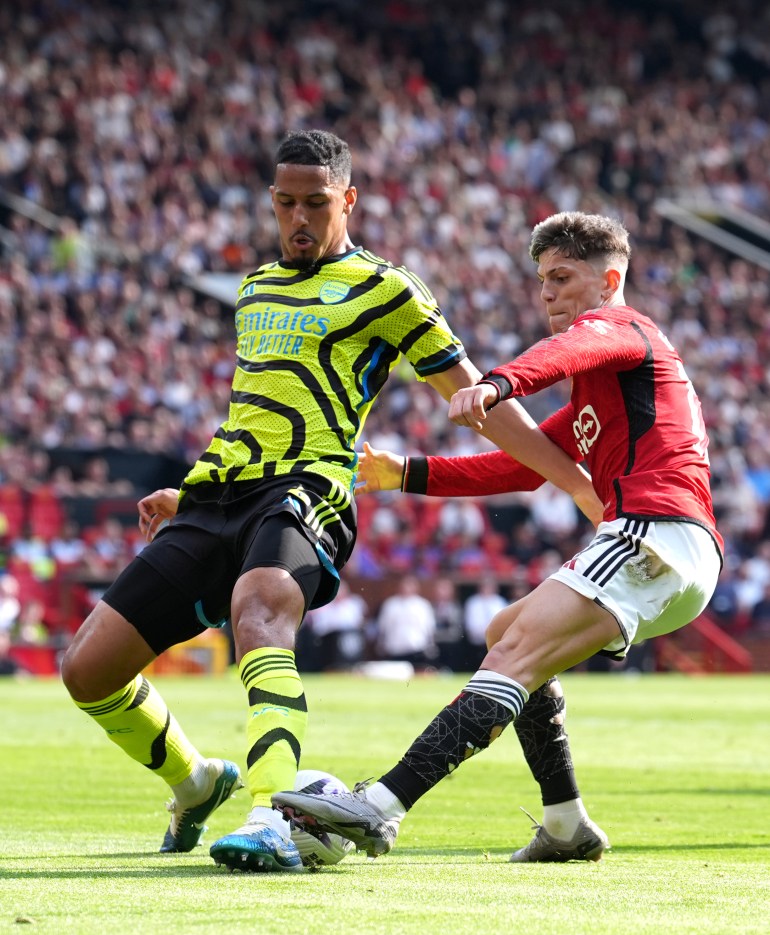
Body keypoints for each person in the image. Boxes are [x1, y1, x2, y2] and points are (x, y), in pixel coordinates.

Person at [60, 133, 599, 874]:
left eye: (317, 202)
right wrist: (187, 487)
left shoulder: (388, 289)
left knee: (260, 608)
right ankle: (195, 781)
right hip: (219, 492)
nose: (300, 218)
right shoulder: (254, 290)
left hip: (309, 487)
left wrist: (567, 475)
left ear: (348, 200)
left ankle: (270, 813)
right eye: (286, 203)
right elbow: (255, 407)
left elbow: (475, 398)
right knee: (87, 670)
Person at [272, 210, 724, 861]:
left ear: (609, 280)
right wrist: (406, 471)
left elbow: (572, 347)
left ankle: (378, 806)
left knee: (508, 654)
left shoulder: (621, 328)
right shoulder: (606, 385)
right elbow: (523, 465)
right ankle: (566, 822)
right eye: (543, 279)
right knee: (502, 634)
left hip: (655, 533)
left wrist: (497, 382)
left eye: (563, 277)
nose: (548, 293)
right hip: (669, 547)